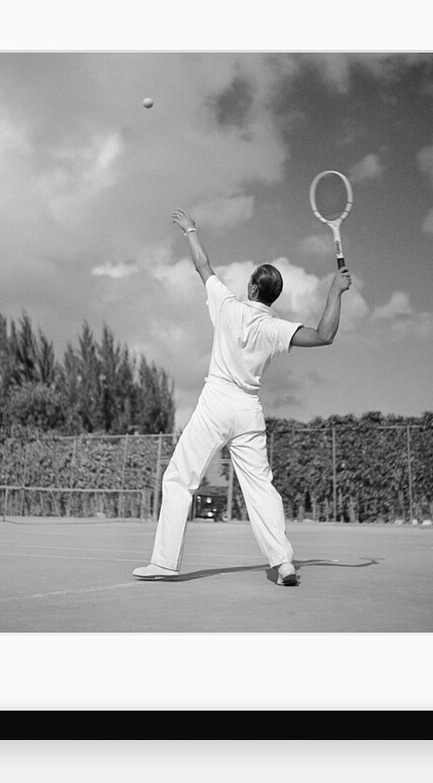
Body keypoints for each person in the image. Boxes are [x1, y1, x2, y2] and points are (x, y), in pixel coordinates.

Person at [133, 208, 352, 586]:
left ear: (252, 288)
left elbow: (203, 265)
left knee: (178, 479)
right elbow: (324, 335)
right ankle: (283, 563)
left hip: (216, 403)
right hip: (248, 411)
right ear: (273, 296)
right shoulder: (274, 327)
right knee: (261, 489)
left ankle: (165, 563)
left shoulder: (227, 305)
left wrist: (191, 229)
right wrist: (334, 291)